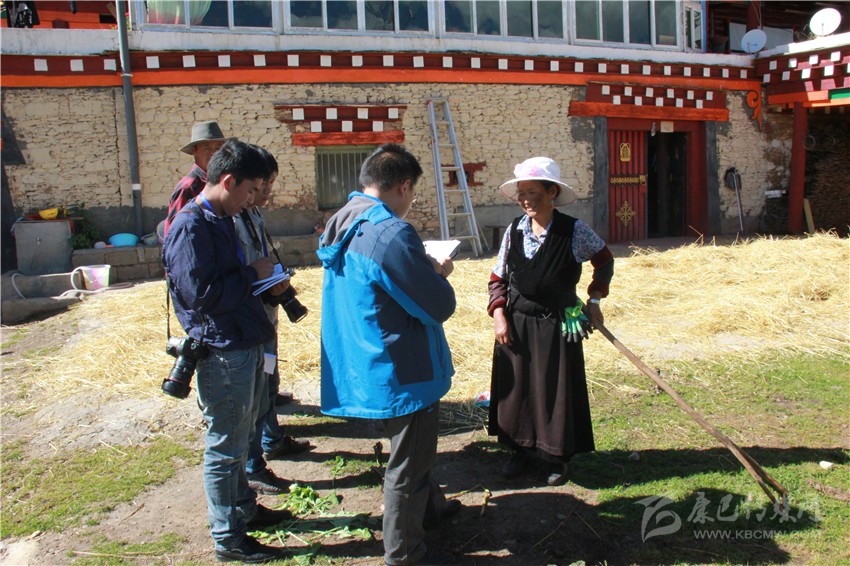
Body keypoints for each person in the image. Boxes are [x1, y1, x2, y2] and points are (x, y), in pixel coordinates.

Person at [317, 143, 461, 566]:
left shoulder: (344, 221)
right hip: (402, 365)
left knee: (416, 452)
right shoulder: (390, 232)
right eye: (412, 192)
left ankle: (430, 512)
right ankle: (404, 553)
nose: (410, 200)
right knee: (408, 464)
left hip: (368, 358)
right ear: (403, 186)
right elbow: (436, 305)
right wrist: (438, 272)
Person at [162, 140, 291, 563]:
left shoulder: (222, 219)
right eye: (251, 190)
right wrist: (252, 274)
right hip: (223, 349)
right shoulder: (190, 227)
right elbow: (201, 297)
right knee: (225, 448)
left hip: (245, 338)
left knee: (241, 438)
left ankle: (244, 510)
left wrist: (266, 284)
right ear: (229, 181)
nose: (253, 199)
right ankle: (228, 539)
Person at [487, 156, 614, 487]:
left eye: (533, 192)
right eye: (521, 193)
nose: (526, 200)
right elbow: (498, 278)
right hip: (517, 324)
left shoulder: (574, 231)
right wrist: (499, 315)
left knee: (554, 391)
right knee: (518, 391)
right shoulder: (514, 230)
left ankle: (556, 456)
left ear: (552, 192)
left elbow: (604, 261)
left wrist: (594, 299)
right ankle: (519, 450)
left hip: (557, 324)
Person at [234, 145, 312, 497]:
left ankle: (271, 440)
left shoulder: (254, 215)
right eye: (262, 184)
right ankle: (253, 465)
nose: (266, 191)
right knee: (253, 394)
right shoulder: (229, 219)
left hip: (266, 317)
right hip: (248, 322)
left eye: (269, 184)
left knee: (268, 382)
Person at [163, 120, 234, 235]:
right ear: (194, 151)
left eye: (218, 147)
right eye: (206, 148)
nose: (213, 153)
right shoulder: (187, 188)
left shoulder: (222, 182)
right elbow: (175, 233)